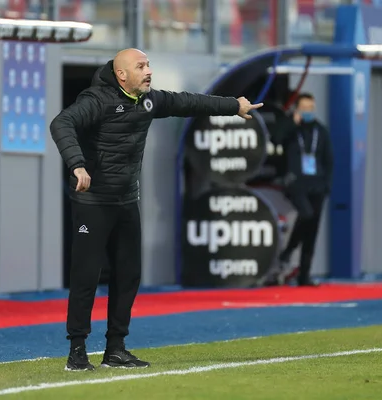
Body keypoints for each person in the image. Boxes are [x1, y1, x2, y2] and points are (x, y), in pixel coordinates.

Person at [50, 48, 263, 371]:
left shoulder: (149, 100)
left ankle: (116, 350)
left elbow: (189, 102)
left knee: (128, 276)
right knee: (86, 278)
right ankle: (77, 351)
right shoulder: (97, 100)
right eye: (141, 66)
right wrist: (77, 165)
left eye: (149, 64)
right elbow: (62, 123)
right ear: (122, 75)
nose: (149, 70)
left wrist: (234, 106)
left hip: (126, 201)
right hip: (93, 202)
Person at [257, 93, 333, 288]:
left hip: (317, 184)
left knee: (312, 230)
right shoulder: (290, 128)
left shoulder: (321, 131)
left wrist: (327, 185)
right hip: (296, 183)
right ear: (297, 109)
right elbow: (275, 138)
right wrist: (292, 122)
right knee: (306, 215)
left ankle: (304, 274)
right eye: (304, 108)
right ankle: (288, 251)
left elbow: (328, 159)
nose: (308, 112)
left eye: (311, 108)